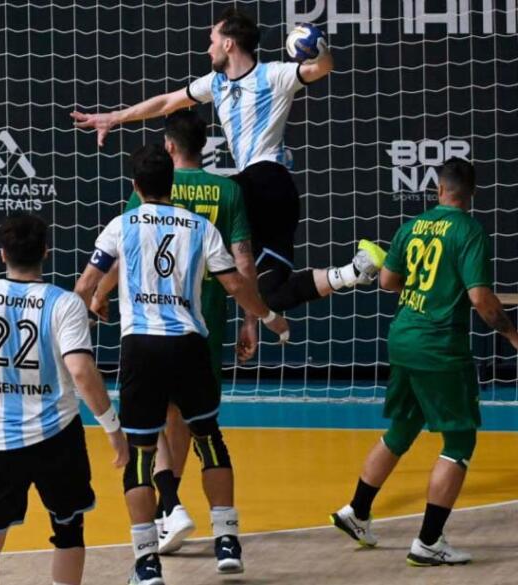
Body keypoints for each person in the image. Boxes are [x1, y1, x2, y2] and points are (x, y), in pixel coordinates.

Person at [71, 8, 386, 348]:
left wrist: (320, 50)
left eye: (212, 41)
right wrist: (114, 118)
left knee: (168, 216)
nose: (208, 49)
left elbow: (321, 68)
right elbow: (167, 102)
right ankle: (357, 270)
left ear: (230, 45)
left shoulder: (273, 75)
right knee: (271, 292)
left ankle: (105, 293)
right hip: (266, 189)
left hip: (266, 178)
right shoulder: (216, 83)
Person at [75, 144, 290, 583]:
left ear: (135, 187)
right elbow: (235, 284)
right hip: (190, 345)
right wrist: (266, 316)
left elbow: (86, 285)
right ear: (172, 184)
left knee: (140, 454)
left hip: (142, 348)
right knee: (209, 440)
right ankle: (227, 540)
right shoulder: (200, 227)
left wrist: (71, 336)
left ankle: (146, 562)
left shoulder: (121, 225)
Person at [330, 158, 518, 566]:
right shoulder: (469, 231)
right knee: (460, 441)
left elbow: (387, 282)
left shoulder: (411, 227)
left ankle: (357, 512)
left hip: (403, 338)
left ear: (437, 190)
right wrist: (513, 336)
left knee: (402, 427)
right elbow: (481, 299)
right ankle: (429, 542)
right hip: (439, 347)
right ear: (471, 194)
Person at [89, 110, 255, 554]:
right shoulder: (228, 190)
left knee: (148, 428)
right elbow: (241, 263)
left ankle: (167, 508)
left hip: (146, 326)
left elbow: (127, 251)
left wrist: (98, 294)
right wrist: (254, 318)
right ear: (205, 144)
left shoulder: (144, 192)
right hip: (202, 321)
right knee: (196, 423)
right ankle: (206, 526)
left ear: (167, 147)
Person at [0, 213, 128, 585]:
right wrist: (112, 428)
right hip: (57, 437)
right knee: (69, 531)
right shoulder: (64, 304)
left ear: (2, 254)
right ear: (46, 251)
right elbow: (81, 372)